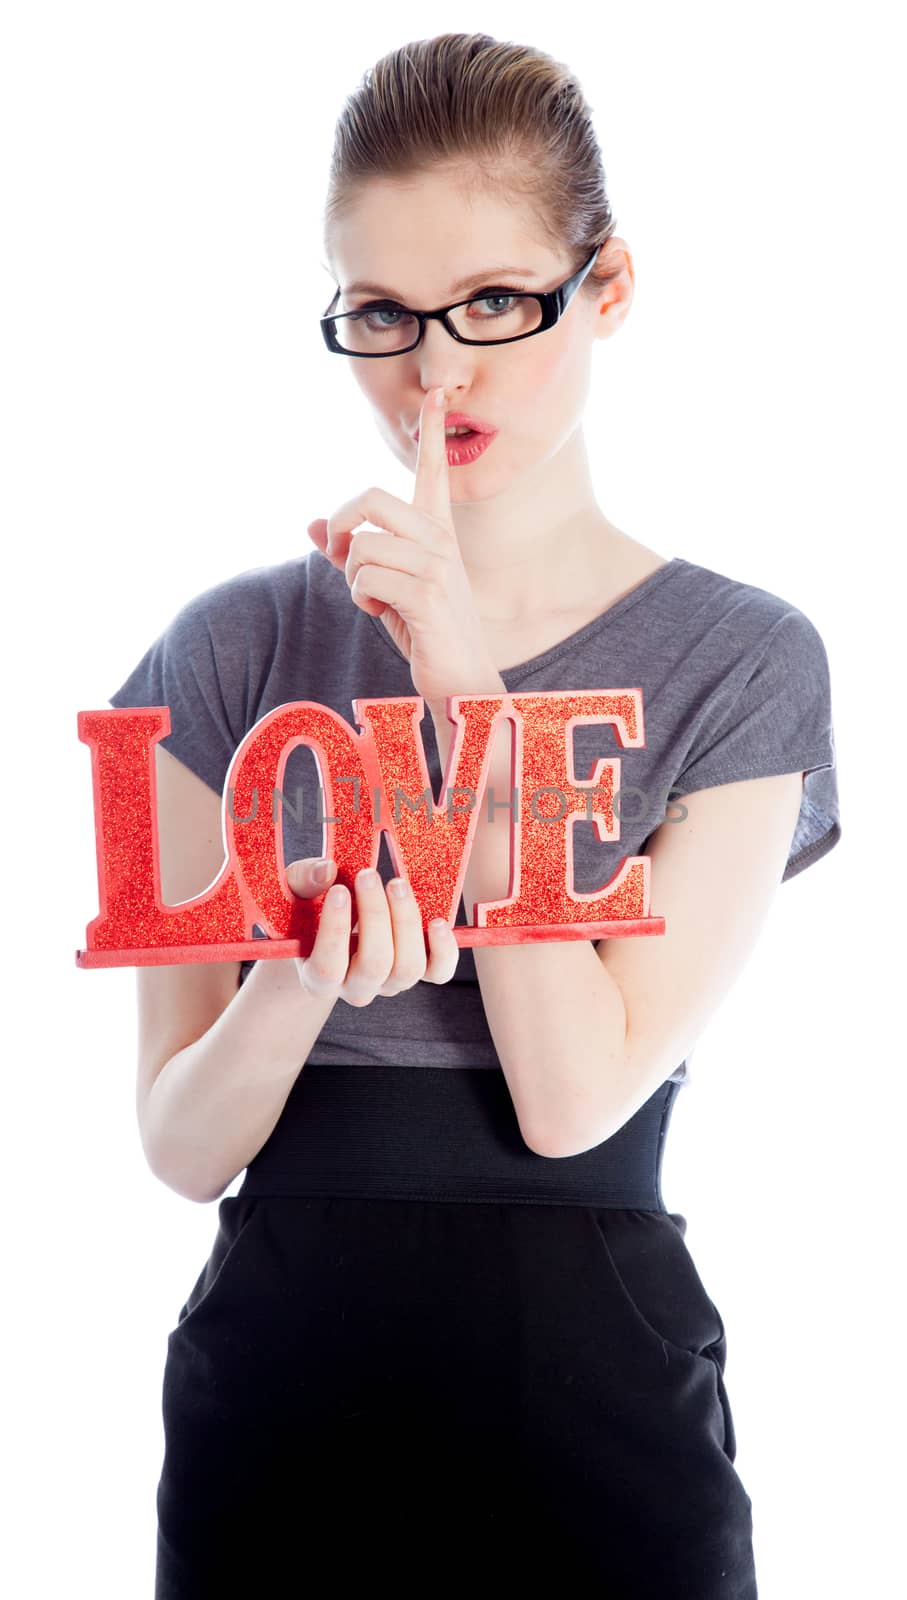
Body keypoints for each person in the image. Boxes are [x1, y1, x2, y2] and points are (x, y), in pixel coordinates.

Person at [109, 32, 841, 1598]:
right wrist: (296, 977)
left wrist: (463, 678)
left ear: (611, 286)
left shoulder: (744, 661)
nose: (435, 375)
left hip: (598, 1400)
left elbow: (575, 1098)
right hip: (281, 1389)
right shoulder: (226, 649)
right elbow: (178, 1143)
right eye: (379, 314)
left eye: (496, 305)